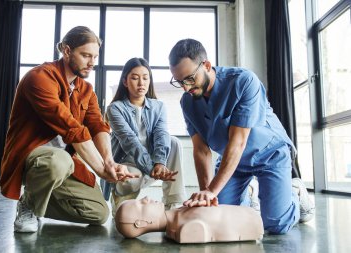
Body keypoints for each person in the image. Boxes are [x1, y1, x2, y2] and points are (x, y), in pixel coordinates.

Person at [167, 38, 315, 235]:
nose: (185, 87)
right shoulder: (188, 102)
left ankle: (295, 193)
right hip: (233, 163)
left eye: (190, 79)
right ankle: (251, 193)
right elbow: (201, 150)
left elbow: (238, 143)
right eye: (179, 82)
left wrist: (212, 190)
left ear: (207, 65)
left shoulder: (243, 81)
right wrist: (207, 197)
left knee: (275, 224)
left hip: (270, 154)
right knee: (221, 213)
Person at [0, 26, 136, 233]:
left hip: (65, 165)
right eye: (85, 55)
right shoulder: (39, 78)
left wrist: (109, 161)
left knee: (99, 214)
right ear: (66, 51)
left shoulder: (86, 89)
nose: (92, 63)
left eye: (95, 57)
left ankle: (40, 201)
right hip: (34, 159)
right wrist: (101, 170)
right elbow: (72, 129)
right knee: (58, 161)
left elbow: (97, 125)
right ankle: (28, 204)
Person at [101, 57, 186, 215]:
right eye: (135, 78)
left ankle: (173, 203)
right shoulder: (115, 108)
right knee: (130, 183)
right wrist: (152, 168)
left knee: (173, 141)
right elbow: (130, 141)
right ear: (125, 81)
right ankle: (120, 198)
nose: (141, 83)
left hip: (153, 162)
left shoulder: (158, 106)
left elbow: (161, 133)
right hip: (128, 163)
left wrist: (160, 162)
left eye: (145, 78)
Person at [115, 196, 264, 243]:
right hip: (251, 222)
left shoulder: (178, 213)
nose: (146, 198)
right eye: (141, 204)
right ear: (140, 223)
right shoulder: (185, 229)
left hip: (250, 216)